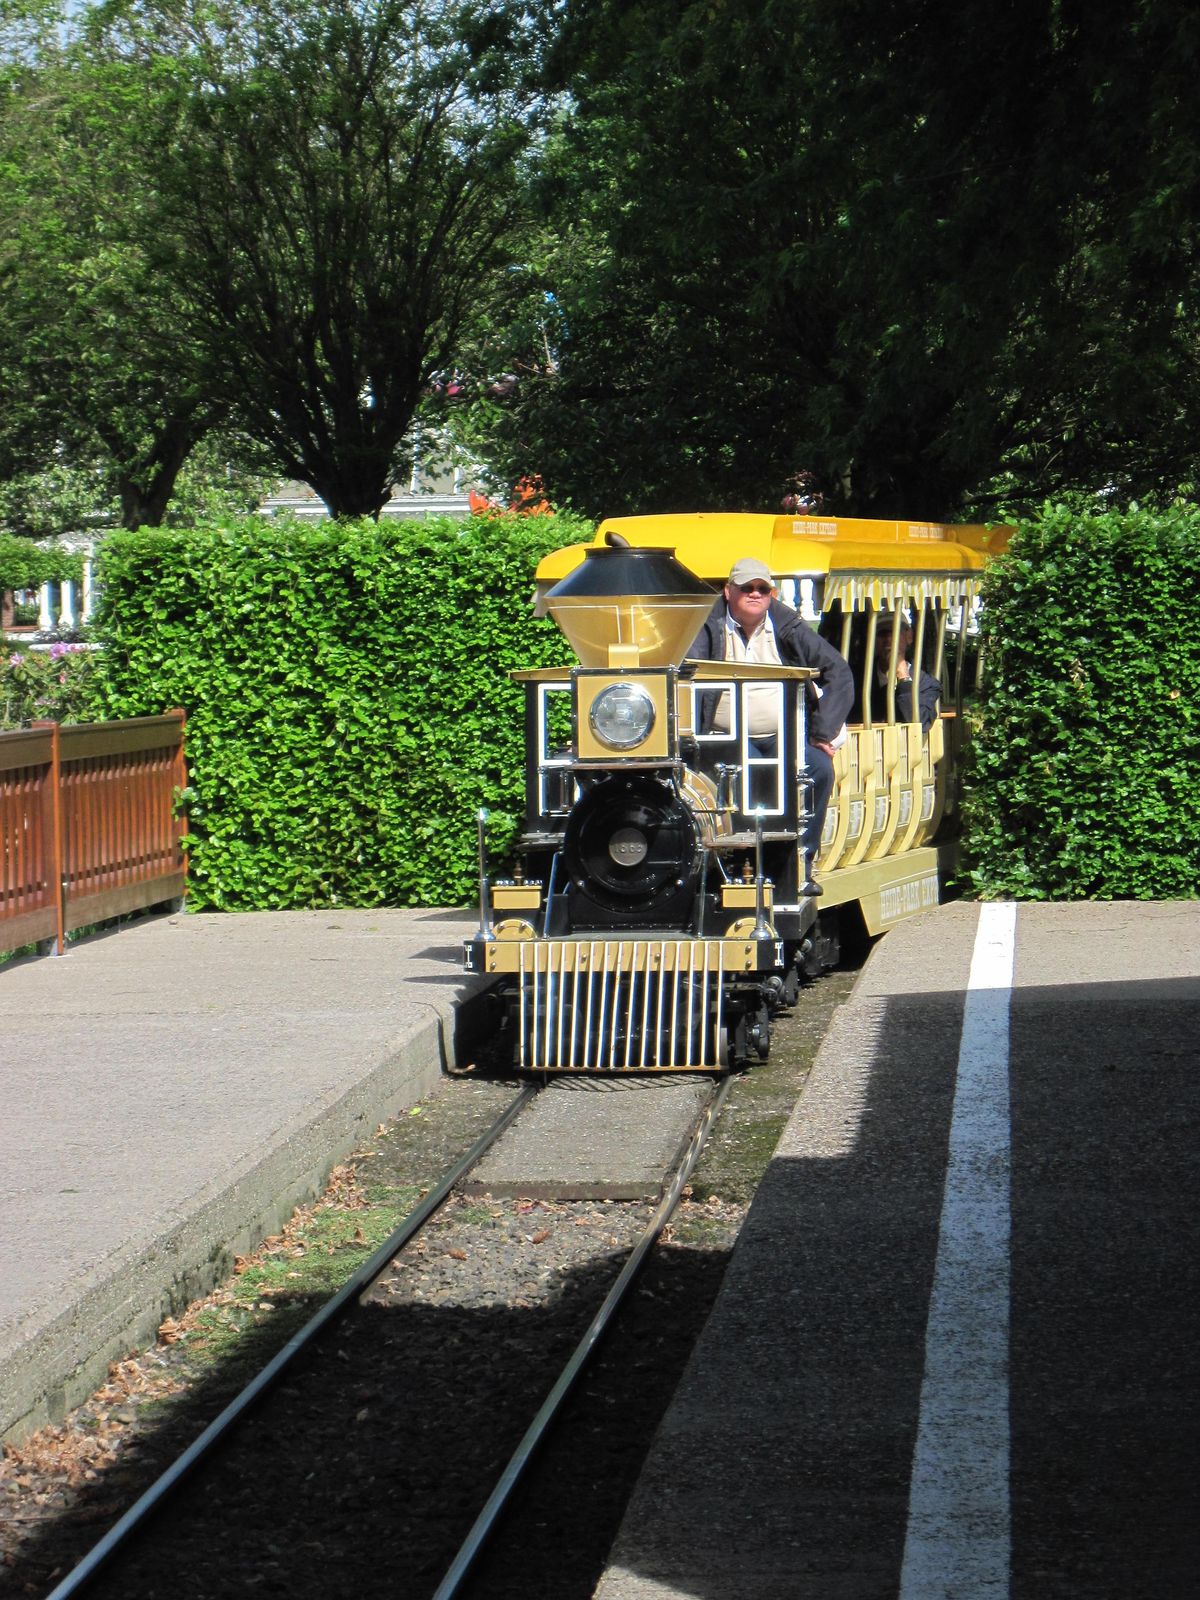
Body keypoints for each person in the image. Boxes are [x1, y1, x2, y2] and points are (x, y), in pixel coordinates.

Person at [687, 557, 854, 894]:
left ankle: (802, 863)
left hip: (784, 734)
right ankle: (739, 864)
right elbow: (683, 673)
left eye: (762, 588)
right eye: (746, 588)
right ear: (728, 591)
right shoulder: (705, 625)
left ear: (771, 594)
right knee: (749, 772)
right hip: (726, 737)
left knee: (819, 769)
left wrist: (821, 734)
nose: (755, 593)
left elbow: (839, 672)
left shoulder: (788, 625)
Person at [871, 609, 941, 732]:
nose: (888, 639)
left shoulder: (926, 684)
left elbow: (922, 724)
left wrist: (904, 678)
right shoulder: (857, 680)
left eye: (895, 632)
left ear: (909, 636)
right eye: (882, 634)